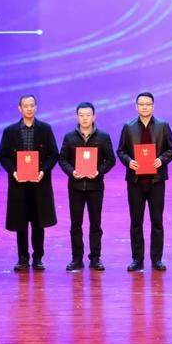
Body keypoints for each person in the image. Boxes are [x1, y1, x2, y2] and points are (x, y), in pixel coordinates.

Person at [117, 92, 172, 272]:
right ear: (136, 107)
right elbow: (121, 151)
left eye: (148, 104)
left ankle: (156, 259)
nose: (144, 107)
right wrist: (129, 161)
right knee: (136, 222)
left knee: (157, 221)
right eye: (141, 104)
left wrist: (161, 160)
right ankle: (137, 259)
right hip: (135, 181)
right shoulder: (128, 127)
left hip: (156, 180)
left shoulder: (162, 126)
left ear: (153, 106)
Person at [0, 94, 59, 271]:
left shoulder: (45, 129)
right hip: (19, 183)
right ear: (20, 108)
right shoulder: (10, 131)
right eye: (25, 106)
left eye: (32, 105)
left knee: (39, 222)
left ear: (36, 107)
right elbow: (3, 156)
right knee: (21, 222)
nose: (29, 108)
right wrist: (14, 172)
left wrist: (43, 171)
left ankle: (38, 257)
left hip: (39, 183)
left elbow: (53, 154)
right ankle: (22, 257)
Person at [58, 102, 117, 271]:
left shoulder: (103, 137)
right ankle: (77, 258)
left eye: (88, 115)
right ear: (77, 117)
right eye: (81, 115)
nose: (85, 118)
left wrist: (98, 171)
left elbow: (111, 159)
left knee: (95, 223)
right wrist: (72, 172)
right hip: (75, 187)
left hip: (95, 187)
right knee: (75, 224)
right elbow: (62, 159)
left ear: (94, 117)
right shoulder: (70, 137)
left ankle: (95, 258)